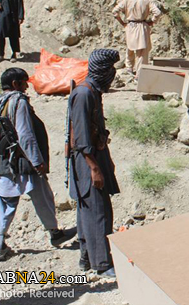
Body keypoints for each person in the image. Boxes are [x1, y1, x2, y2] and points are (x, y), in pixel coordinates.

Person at [0, 68, 76, 261]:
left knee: (6, 202)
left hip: (2, 161)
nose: (27, 87)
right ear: (15, 84)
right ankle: (54, 233)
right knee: (42, 197)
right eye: (24, 82)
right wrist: (37, 162)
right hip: (22, 162)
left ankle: (0, 244)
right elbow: (25, 134)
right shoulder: (19, 101)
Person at [69, 49, 121, 278]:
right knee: (98, 211)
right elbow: (80, 138)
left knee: (89, 209)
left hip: (94, 157)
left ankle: (87, 257)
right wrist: (95, 168)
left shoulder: (92, 92)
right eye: (110, 70)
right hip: (87, 160)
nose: (113, 75)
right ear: (102, 70)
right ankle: (101, 263)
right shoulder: (84, 94)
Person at [112, 0, 162, 76]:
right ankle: (139, 74)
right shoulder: (147, 1)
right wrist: (152, 22)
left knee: (130, 47)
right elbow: (158, 13)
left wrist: (122, 23)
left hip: (130, 25)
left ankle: (129, 68)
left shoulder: (127, 0)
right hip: (142, 26)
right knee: (142, 52)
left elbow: (115, 11)